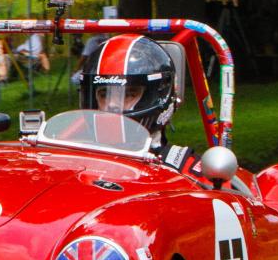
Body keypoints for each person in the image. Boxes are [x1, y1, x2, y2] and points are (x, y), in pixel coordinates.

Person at [79, 34, 193, 169]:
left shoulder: (185, 170)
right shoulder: (71, 158)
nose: (112, 104)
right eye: (104, 94)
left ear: (156, 96)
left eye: (127, 94)